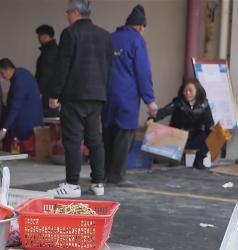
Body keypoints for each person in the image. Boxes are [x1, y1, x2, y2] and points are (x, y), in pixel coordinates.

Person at [47, 0, 113, 198]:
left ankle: (72, 184)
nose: (67, 15)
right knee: (95, 139)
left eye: (68, 12)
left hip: (74, 96)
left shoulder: (70, 33)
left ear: (75, 12)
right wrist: (102, 91)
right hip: (97, 95)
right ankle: (98, 182)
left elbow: (63, 67)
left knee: (73, 140)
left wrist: (54, 94)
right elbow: (109, 67)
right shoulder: (105, 36)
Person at [103, 5, 158, 186]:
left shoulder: (110, 38)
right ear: (141, 27)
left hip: (106, 95)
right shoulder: (137, 41)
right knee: (124, 135)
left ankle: (104, 174)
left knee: (108, 133)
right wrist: (149, 100)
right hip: (126, 96)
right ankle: (116, 176)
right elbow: (143, 72)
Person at [148, 79, 214, 170]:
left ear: (197, 91)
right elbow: (164, 111)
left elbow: (209, 123)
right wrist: (152, 119)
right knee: (158, 132)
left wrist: (214, 129)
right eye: (185, 90)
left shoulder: (204, 104)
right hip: (178, 138)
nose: (187, 93)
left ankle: (199, 160)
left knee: (213, 134)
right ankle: (172, 158)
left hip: (195, 137)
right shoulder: (178, 103)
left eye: (190, 90)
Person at [0, 59, 43, 144]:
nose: (2, 76)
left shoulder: (19, 82)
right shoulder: (22, 73)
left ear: (9, 70)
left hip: (27, 121)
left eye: (2, 73)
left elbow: (15, 106)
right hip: (35, 117)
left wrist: (4, 129)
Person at [35, 24, 59, 118]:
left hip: (48, 94)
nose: (38, 38)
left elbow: (45, 74)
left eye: (39, 36)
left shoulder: (48, 52)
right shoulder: (55, 50)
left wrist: (38, 92)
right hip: (53, 93)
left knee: (48, 122)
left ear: (45, 36)